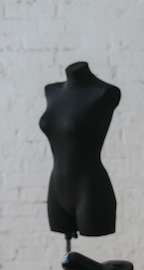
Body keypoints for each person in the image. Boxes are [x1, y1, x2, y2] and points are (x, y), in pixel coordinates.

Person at [40, 61, 120, 244]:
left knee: (85, 263)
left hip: (90, 189)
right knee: (69, 260)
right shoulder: (51, 91)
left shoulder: (105, 92)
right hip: (56, 187)